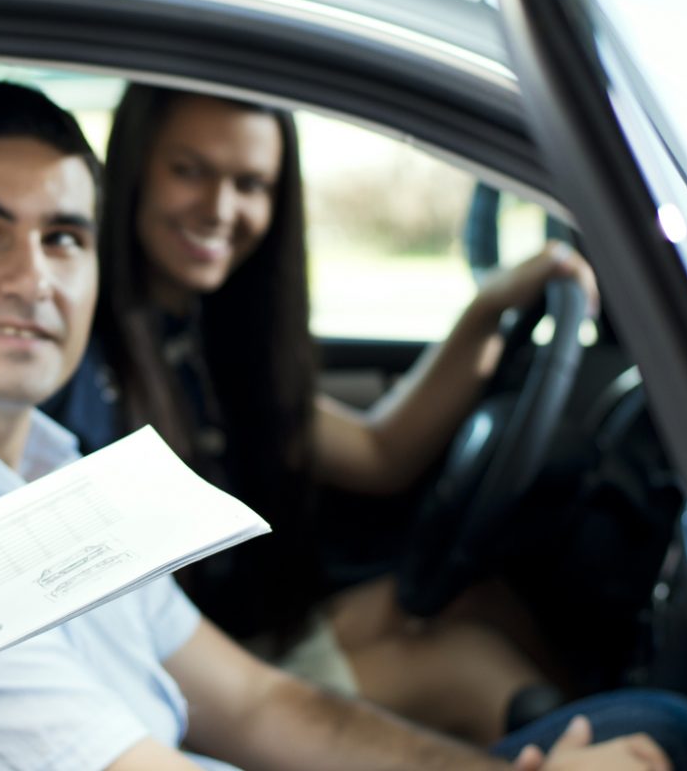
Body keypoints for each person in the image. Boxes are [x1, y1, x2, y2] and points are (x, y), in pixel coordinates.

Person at [0, 80, 687, 771]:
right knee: (669, 733)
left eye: (64, 238)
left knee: (654, 727)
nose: (32, 278)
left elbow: (251, 701)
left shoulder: (50, 473)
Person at [48, 82, 594, 743]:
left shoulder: (210, 338)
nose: (220, 208)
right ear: (135, 168)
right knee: (468, 668)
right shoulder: (78, 359)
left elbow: (379, 454)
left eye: (251, 184)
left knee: (481, 598)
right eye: (189, 171)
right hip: (184, 688)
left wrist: (489, 309)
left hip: (242, 643)